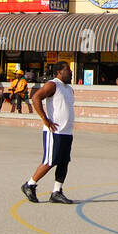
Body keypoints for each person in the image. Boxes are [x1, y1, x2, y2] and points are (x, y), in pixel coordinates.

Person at [22, 63, 77, 204]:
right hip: (55, 131)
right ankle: (30, 184)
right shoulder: (53, 85)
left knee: (64, 162)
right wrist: (45, 119)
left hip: (66, 132)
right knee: (49, 161)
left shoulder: (69, 89)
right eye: (68, 70)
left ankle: (56, 192)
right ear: (59, 71)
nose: (71, 72)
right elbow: (36, 98)